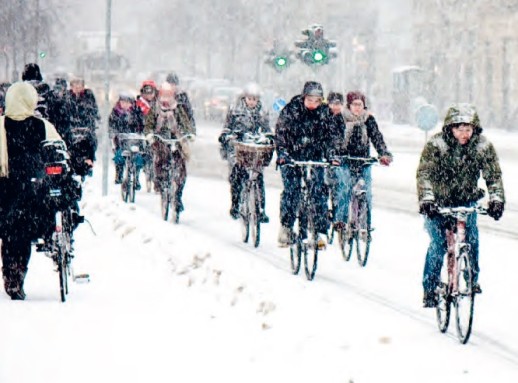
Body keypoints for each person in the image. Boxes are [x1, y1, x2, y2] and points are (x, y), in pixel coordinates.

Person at [417, 103, 505, 308]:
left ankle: (472, 279)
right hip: (438, 204)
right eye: (459, 129)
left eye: (468, 129)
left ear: (475, 129)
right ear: (450, 128)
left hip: (467, 201)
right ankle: (429, 289)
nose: (464, 134)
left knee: (471, 239)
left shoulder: (482, 146)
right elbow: (425, 174)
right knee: (438, 245)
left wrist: (496, 199)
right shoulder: (436, 145)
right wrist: (427, 199)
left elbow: (493, 176)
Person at [0, 82, 63, 300]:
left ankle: (10, 274)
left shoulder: (0, 126)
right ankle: (17, 275)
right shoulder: (43, 126)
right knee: (23, 236)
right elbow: (58, 153)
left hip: (4, 191)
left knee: (9, 236)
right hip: (33, 191)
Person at [275, 81, 333, 248]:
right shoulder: (291, 110)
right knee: (291, 191)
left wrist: (331, 155)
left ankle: (320, 231)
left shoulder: (325, 113)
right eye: (310, 100)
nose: (313, 105)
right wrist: (283, 153)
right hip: (292, 156)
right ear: (303, 97)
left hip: (314, 156)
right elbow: (281, 132)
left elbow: (331, 137)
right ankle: (286, 227)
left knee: (319, 192)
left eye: (317, 101)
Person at [329, 90, 392, 231]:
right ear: (349, 105)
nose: (357, 107)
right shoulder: (340, 119)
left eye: (360, 104)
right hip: (344, 160)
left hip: (363, 161)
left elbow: (377, 137)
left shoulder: (368, 120)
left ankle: (364, 222)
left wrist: (383, 153)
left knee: (367, 191)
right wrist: (336, 153)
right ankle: (341, 220)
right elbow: (334, 139)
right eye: (354, 104)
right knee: (344, 188)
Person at [218, 82, 272, 222]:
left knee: (258, 176)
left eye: (255, 99)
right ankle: (235, 205)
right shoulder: (235, 110)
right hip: (237, 147)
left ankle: (261, 209)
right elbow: (227, 128)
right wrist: (228, 137)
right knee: (237, 173)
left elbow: (266, 129)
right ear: (244, 98)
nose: (252, 102)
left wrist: (268, 138)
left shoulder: (262, 111)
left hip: (254, 147)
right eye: (250, 98)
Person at [144, 82, 195, 212]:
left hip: (176, 140)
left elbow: (185, 123)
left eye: (169, 95)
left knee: (181, 167)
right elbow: (149, 124)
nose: (166, 98)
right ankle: (160, 184)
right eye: (163, 95)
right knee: (160, 160)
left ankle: (177, 197)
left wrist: (190, 134)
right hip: (161, 140)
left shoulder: (178, 108)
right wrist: (150, 134)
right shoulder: (155, 108)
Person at [109, 93, 144, 186]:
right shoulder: (115, 112)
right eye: (123, 102)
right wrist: (114, 133)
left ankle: (136, 178)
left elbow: (142, 124)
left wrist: (141, 133)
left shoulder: (137, 111)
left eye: (128, 102)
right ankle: (119, 174)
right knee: (119, 156)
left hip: (134, 140)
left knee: (138, 158)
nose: (125, 104)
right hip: (121, 140)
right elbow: (111, 125)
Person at [68, 77, 99, 176]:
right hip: (71, 127)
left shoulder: (88, 96)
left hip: (86, 126)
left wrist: (90, 120)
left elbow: (93, 110)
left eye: (79, 85)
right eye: (75, 85)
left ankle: (89, 161)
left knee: (91, 140)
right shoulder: (67, 97)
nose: (77, 87)